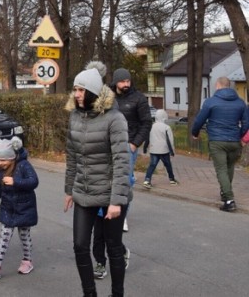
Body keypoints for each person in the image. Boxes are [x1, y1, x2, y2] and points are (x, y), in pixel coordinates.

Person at [64, 66, 131, 297]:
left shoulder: (115, 118)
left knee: (113, 248)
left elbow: (122, 162)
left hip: (111, 194)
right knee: (80, 245)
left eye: (81, 90)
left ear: (92, 91)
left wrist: (116, 201)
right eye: (75, 89)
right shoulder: (74, 116)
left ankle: (117, 294)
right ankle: (89, 293)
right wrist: (69, 189)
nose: (76, 94)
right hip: (84, 191)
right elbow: (72, 156)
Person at [0, 136, 39, 279]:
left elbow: (33, 181)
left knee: (24, 236)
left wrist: (16, 181)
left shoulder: (24, 165)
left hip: (25, 207)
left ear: (13, 158)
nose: (1, 163)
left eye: (4, 160)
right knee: (4, 235)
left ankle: (27, 260)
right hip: (8, 208)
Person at [192, 76, 248, 212]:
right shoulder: (241, 103)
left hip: (217, 141)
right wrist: (240, 136)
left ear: (218, 85)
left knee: (221, 169)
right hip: (234, 141)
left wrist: (195, 133)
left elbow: (199, 120)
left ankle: (229, 200)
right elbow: (246, 123)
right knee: (229, 168)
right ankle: (225, 193)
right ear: (229, 86)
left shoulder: (211, 102)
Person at [110, 68, 152, 231]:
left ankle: (122, 216)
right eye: (122, 81)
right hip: (110, 145)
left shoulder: (138, 99)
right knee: (109, 180)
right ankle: (108, 211)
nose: (126, 84)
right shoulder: (108, 97)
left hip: (128, 146)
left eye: (128, 81)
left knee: (125, 180)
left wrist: (134, 144)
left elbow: (146, 123)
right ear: (115, 82)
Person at [143, 109, 179, 188]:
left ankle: (147, 180)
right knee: (168, 165)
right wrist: (172, 151)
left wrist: (145, 148)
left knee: (152, 165)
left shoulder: (151, 126)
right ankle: (172, 180)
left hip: (153, 149)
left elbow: (147, 138)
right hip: (164, 150)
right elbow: (170, 141)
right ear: (164, 117)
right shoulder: (166, 127)